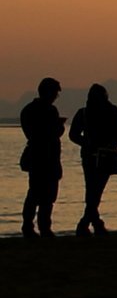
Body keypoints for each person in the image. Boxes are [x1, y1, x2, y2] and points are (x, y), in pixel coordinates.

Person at [69, 84, 117, 237]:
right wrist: (110, 144)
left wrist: (89, 143)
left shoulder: (86, 113)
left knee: (93, 190)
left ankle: (90, 224)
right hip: (99, 156)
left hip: (98, 155)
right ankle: (90, 224)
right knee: (95, 191)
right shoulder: (107, 111)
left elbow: (73, 135)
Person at [20, 77, 65, 238]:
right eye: (54, 93)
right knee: (40, 195)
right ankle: (38, 227)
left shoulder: (28, 110)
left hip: (42, 157)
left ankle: (35, 227)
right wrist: (57, 127)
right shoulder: (48, 111)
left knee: (40, 194)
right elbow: (42, 134)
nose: (55, 97)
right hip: (43, 158)